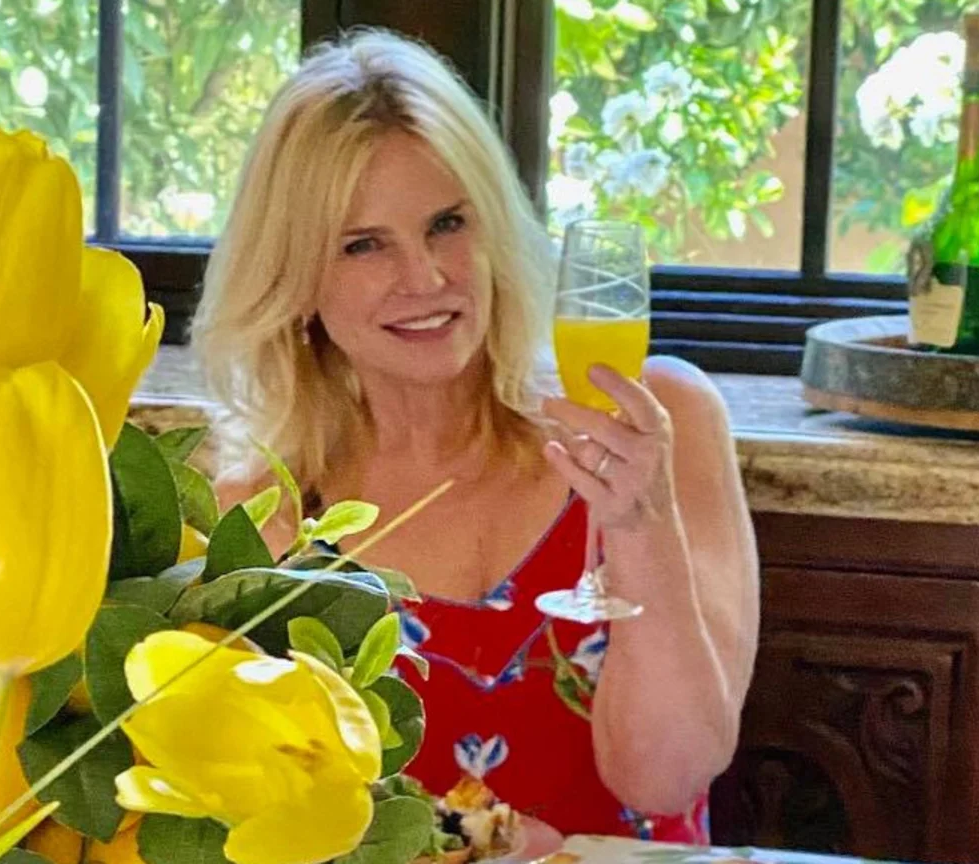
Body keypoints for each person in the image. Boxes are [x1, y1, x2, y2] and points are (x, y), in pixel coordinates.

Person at [190, 28, 759, 843]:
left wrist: (639, 525)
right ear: (295, 281)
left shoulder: (658, 420)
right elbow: (272, 830)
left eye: (447, 223)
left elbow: (667, 779)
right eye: (363, 245)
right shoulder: (263, 514)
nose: (425, 279)